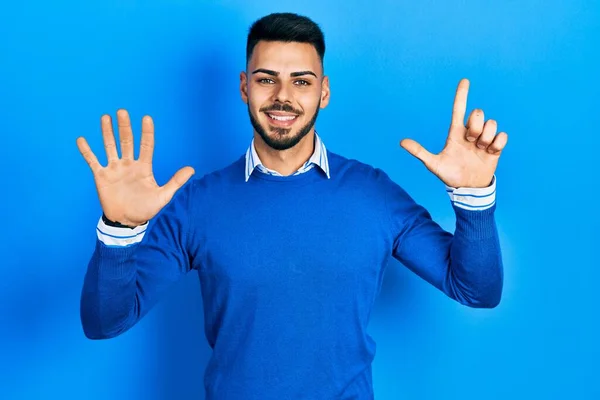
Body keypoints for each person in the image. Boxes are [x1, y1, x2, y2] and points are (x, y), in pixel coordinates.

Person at [76, 12, 507, 400]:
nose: (283, 96)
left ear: (323, 92)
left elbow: (476, 289)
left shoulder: (374, 195)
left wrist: (474, 197)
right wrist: (119, 229)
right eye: (266, 79)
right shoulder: (196, 204)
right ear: (245, 87)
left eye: (301, 81)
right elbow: (105, 322)